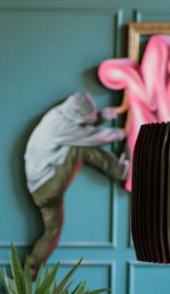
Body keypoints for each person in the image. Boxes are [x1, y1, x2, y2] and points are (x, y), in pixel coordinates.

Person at [24, 90, 128, 273]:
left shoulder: (60, 114)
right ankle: (121, 171)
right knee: (80, 148)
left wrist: (118, 110)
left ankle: (28, 271)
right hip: (47, 184)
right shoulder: (60, 127)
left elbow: (86, 121)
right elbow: (91, 136)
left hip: (39, 189)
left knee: (52, 231)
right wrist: (123, 133)